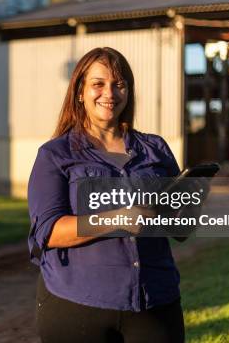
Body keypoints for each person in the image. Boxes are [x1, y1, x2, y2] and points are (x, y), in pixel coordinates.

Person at [28, 47, 185, 343]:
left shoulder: (156, 149)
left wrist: (188, 201)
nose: (110, 93)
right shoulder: (55, 155)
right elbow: (48, 232)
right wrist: (118, 219)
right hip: (77, 302)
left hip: (155, 299)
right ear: (80, 92)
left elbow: (180, 228)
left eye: (119, 84)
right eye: (98, 84)